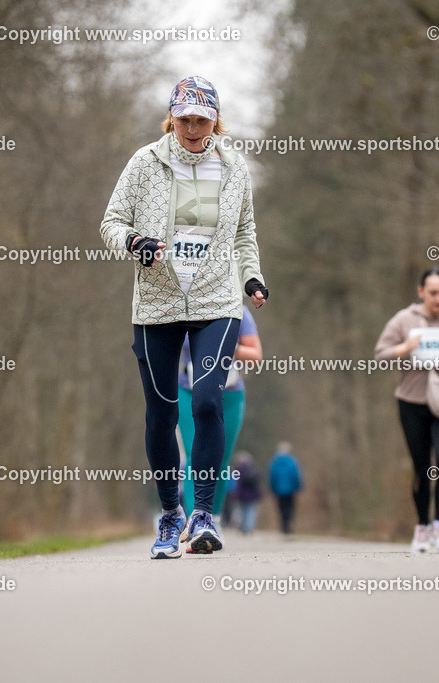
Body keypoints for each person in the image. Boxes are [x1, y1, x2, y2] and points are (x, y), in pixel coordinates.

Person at [100, 76, 268, 559]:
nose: (194, 128)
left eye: (203, 119)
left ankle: (203, 515)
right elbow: (112, 222)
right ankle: (171, 515)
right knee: (161, 413)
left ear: (217, 120)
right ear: (170, 118)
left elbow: (245, 233)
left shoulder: (235, 168)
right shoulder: (144, 163)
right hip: (157, 304)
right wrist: (133, 243)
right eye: (185, 119)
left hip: (217, 300)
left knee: (209, 403)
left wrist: (251, 278)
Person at [374, 267, 439, 552]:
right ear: (421, 292)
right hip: (412, 402)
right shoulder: (404, 320)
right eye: (433, 293)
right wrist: (404, 348)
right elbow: (380, 356)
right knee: (422, 467)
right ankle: (422, 526)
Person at [177, 303, 262, 540]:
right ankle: (197, 521)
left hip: (230, 392)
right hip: (188, 389)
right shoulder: (181, 305)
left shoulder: (239, 311)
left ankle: (213, 520)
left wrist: (224, 345)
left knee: (221, 458)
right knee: (194, 455)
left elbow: (255, 355)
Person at [268, 442, 302, 534]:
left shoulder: (274, 462)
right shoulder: (292, 461)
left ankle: (284, 526)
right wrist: (298, 486)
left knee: (281, 508)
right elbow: (296, 475)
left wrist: (272, 488)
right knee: (290, 507)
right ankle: (289, 522)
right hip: (290, 489)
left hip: (278, 490)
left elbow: (272, 476)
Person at [232, 452, 262, 533]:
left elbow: (238, 484)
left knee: (242, 511)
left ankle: (244, 527)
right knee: (250, 511)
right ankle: (249, 527)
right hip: (252, 494)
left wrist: (236, 494)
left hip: (242, 494)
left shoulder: (239, 470)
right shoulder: (253, 468)